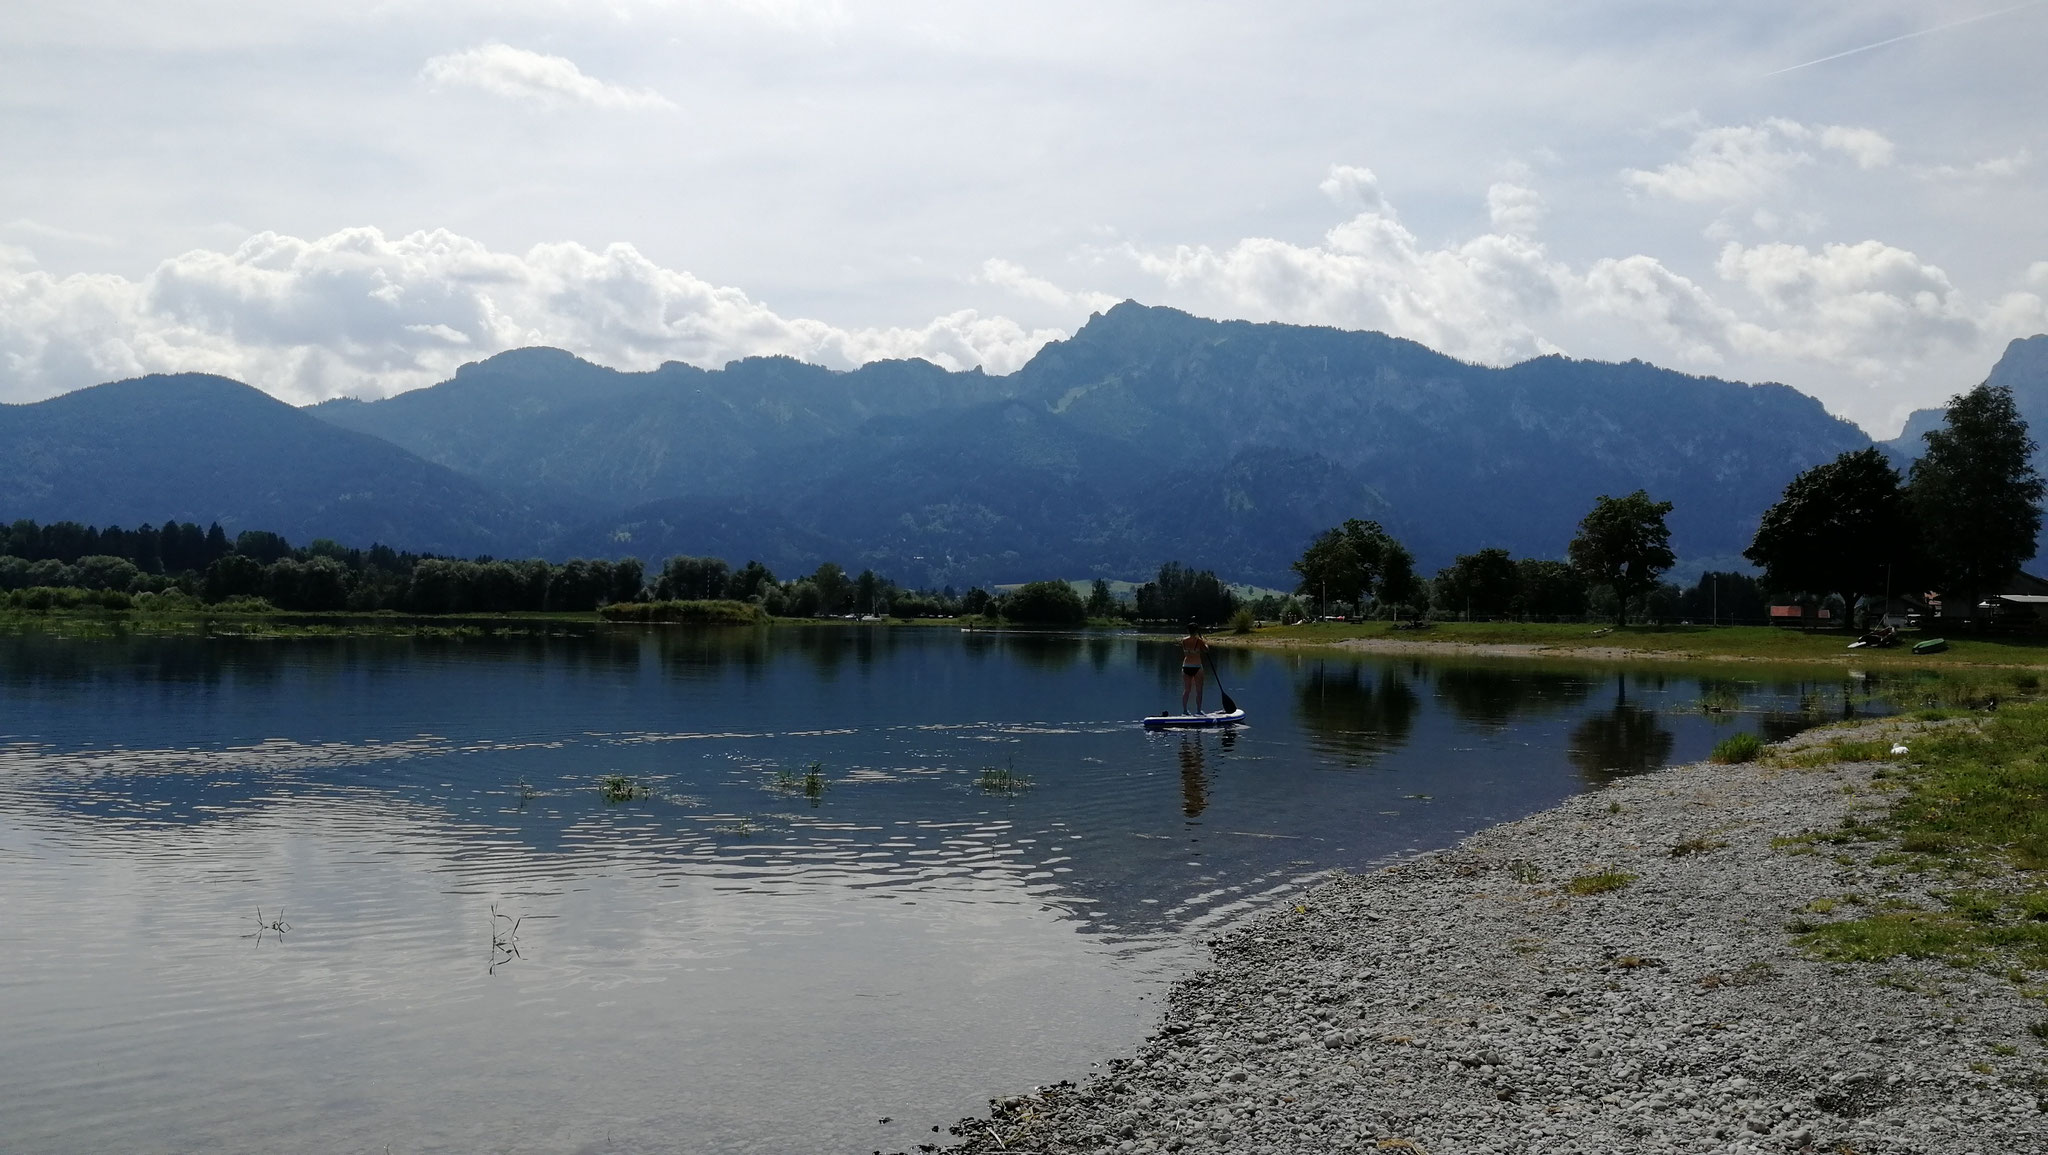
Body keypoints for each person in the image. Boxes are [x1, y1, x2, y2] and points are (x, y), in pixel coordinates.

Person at [1179, 620, 1210, 714]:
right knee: (1199, 690)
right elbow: (1206, 650)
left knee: (1187, 689)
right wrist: (1205, 642)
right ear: (1196, 631)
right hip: (1196, 666)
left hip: (1186, 666)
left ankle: (1184, 710)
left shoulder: (1184, 640)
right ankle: (1199, 711)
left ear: (1188, 630)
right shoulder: (1199, 641)